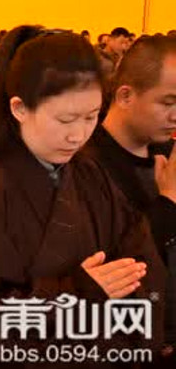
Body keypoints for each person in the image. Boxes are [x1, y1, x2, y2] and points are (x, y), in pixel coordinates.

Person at [0, 26, 166, 369]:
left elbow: (140, 268)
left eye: (91, 117)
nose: (78, 134)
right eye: (65, 119)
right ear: (20, 108)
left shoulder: (91, 175)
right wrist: (78, 294)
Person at [81, 35, 176, 364]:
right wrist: (167, 202)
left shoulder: (165, 151)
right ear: (125, 95)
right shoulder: (85, 164)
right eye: (168, 102)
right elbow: (118, 264)